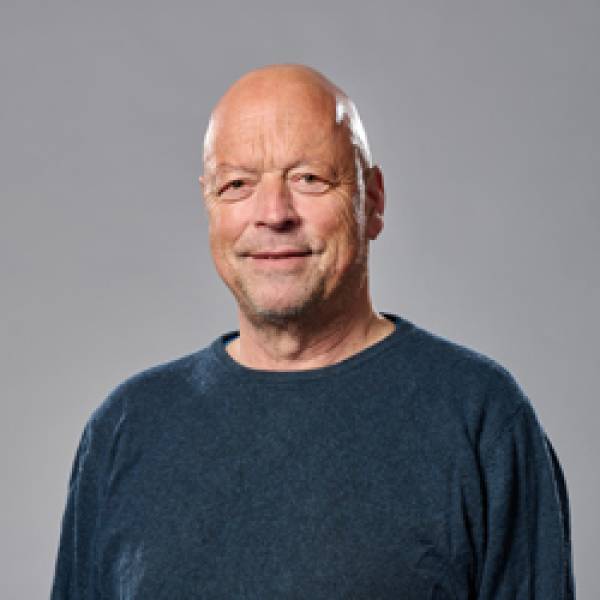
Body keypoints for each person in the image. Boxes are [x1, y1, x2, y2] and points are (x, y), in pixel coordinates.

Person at [51, 64, 575, 599]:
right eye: (237, 184)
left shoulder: (478, 417)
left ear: (373, 201)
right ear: (209, 206)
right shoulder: (127, 427)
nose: (273, 214)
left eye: (309, 179)